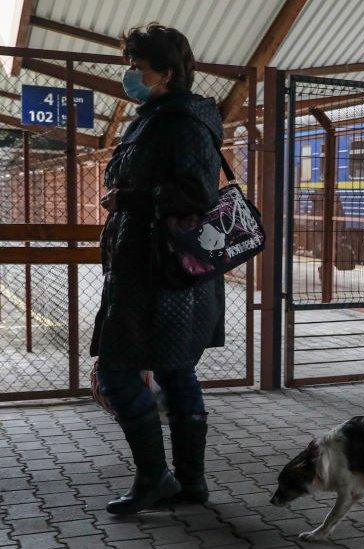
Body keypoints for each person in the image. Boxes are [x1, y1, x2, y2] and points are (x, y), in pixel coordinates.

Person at [91, 23, 225, 514]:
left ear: (166, 74)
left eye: (137, 68)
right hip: (157, 270)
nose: (130, 75)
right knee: (175, 371)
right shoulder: (160, 116)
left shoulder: (180, 122)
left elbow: (196, 193)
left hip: (159, 276)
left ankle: (156, 479)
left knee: (118, 374)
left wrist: (127, 197)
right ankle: (191, 484)